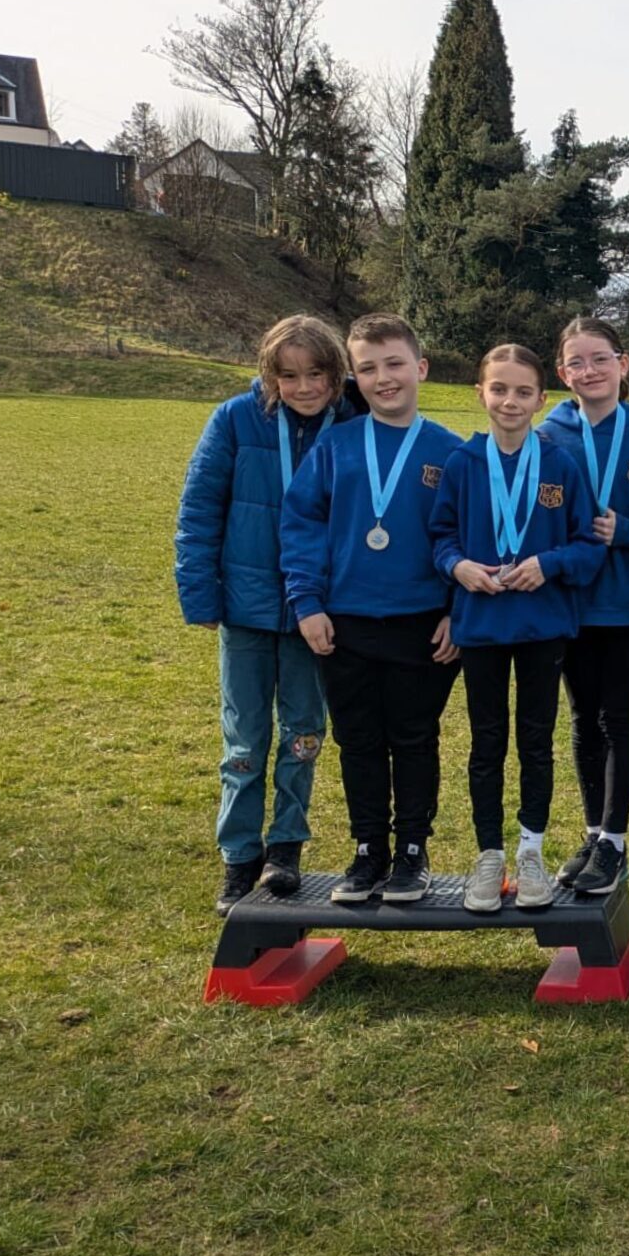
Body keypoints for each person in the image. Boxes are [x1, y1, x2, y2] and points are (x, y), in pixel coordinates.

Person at [281, 314, 463, 905]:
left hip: (423, 624)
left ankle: (411, 850)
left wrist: (457, 611)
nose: (383, 378)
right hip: (344, 622)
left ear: (420, 368)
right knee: (357, 740)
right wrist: (307, 602)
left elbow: (470, 538)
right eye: (368, 369)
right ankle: (367, 850)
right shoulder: (336, 446)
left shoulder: (451, 452)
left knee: (414, 737)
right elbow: (302, 525)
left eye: (394, 364)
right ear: (353, 379)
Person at [175, 315, 355, 914]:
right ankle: (239, 856)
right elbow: (199, 509)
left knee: (304, 733)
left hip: (317, 614)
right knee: (244, 741)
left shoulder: (350, 423)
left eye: (316, 373)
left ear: (336, 372)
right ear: (269, 374)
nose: (304, 387)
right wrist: (200, 595)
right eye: (289, 375)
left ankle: (285, 849)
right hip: (245, 608)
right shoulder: (235, 419)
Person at [431, 344, 607, 914]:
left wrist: (547, 565)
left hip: (541, 626)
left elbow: (588, 545)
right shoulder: (463, 463)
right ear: (479, 393)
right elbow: (440, 537)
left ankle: (531, 852)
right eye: (499, 389)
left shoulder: (560, 465)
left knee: (535, 741)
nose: (510, 401)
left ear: (541, 398)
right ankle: (489, 855)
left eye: (523, 391)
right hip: (481, 626)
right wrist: (458, 566)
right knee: (486, 743)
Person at [539, 317, 629, 897]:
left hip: (627, 602)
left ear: (622, 363)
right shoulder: (548, 433)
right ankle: (591, 833)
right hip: (569, 603)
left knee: (618, 716)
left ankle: (615, 838)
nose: (590, 371)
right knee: (583, 718)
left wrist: (626, 530)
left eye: (600, 359)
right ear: (563, 373)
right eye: (577, 363)